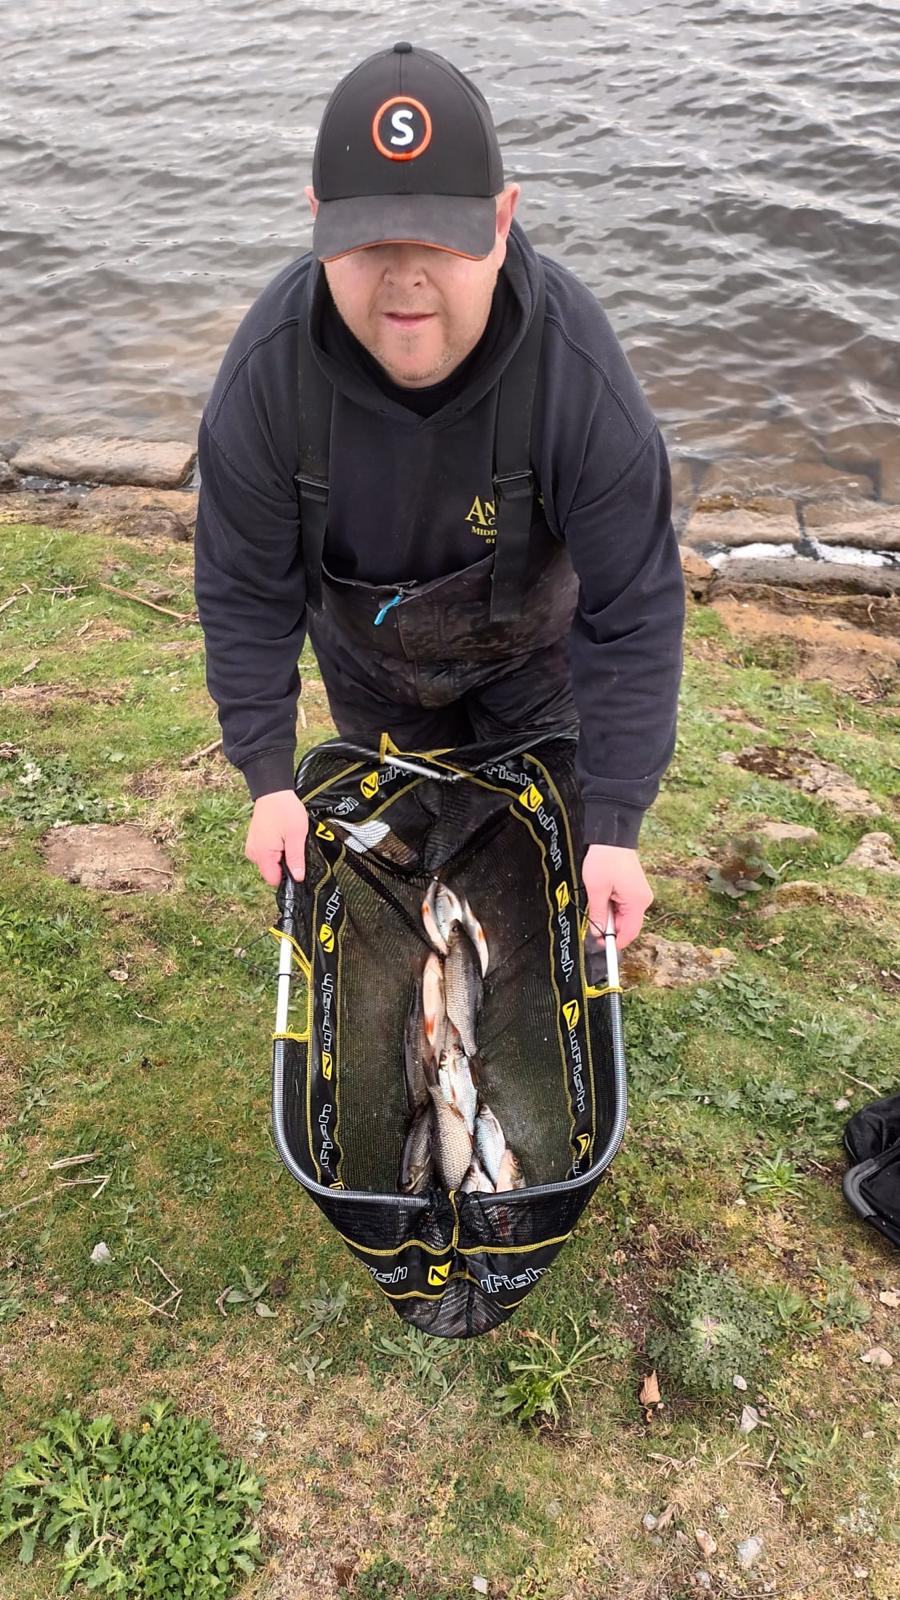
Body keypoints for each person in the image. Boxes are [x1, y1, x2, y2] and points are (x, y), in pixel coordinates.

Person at [194, 42, 685, 951]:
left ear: (503, 220)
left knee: (538, 884)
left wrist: (617, 826)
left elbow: (634, 610)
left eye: (441, 240)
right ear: (317, 222)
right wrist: (267, 778)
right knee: (415, 870)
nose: (405, 277)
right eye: (372, 240)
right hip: (373, 672)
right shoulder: (265, 381)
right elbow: (245, 594)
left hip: (537, 666)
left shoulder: (579, 381)